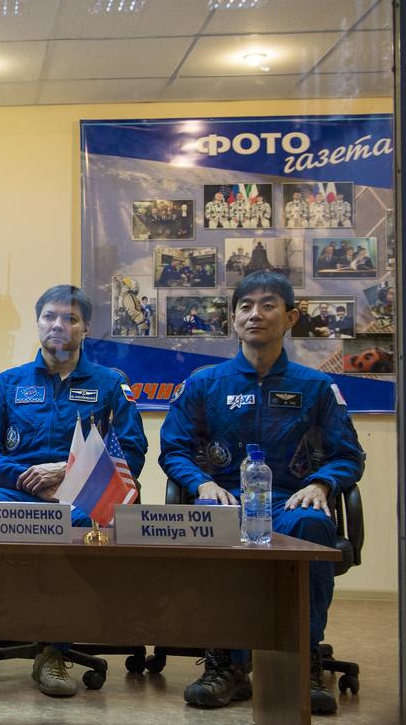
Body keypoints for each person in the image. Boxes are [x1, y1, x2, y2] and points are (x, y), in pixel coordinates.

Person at [0, 285, 145, 703]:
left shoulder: (110, 385)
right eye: (50, 317)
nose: (59, 325)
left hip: (79, 498)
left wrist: (65, 470)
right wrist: (26, 476)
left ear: (86, 328)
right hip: (17, 494)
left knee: (83, 523)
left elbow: (132, 452)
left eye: (70, 319)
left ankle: (54, 651)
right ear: (38, 322)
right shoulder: (8, 383)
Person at [160, 271, 364, 714]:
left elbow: (349, 454)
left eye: (268, 305)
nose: (256, 314)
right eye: (246, 306)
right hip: (225, 500)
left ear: (290, 317)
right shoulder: (205, 383)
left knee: (311, 524)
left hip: (288, 502)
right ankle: (225, 664)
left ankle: (300, 660)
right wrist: (202, 482)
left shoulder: (315, 387)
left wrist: (321, 482)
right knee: (208, 527)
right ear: (233, 319)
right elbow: (173, 449)